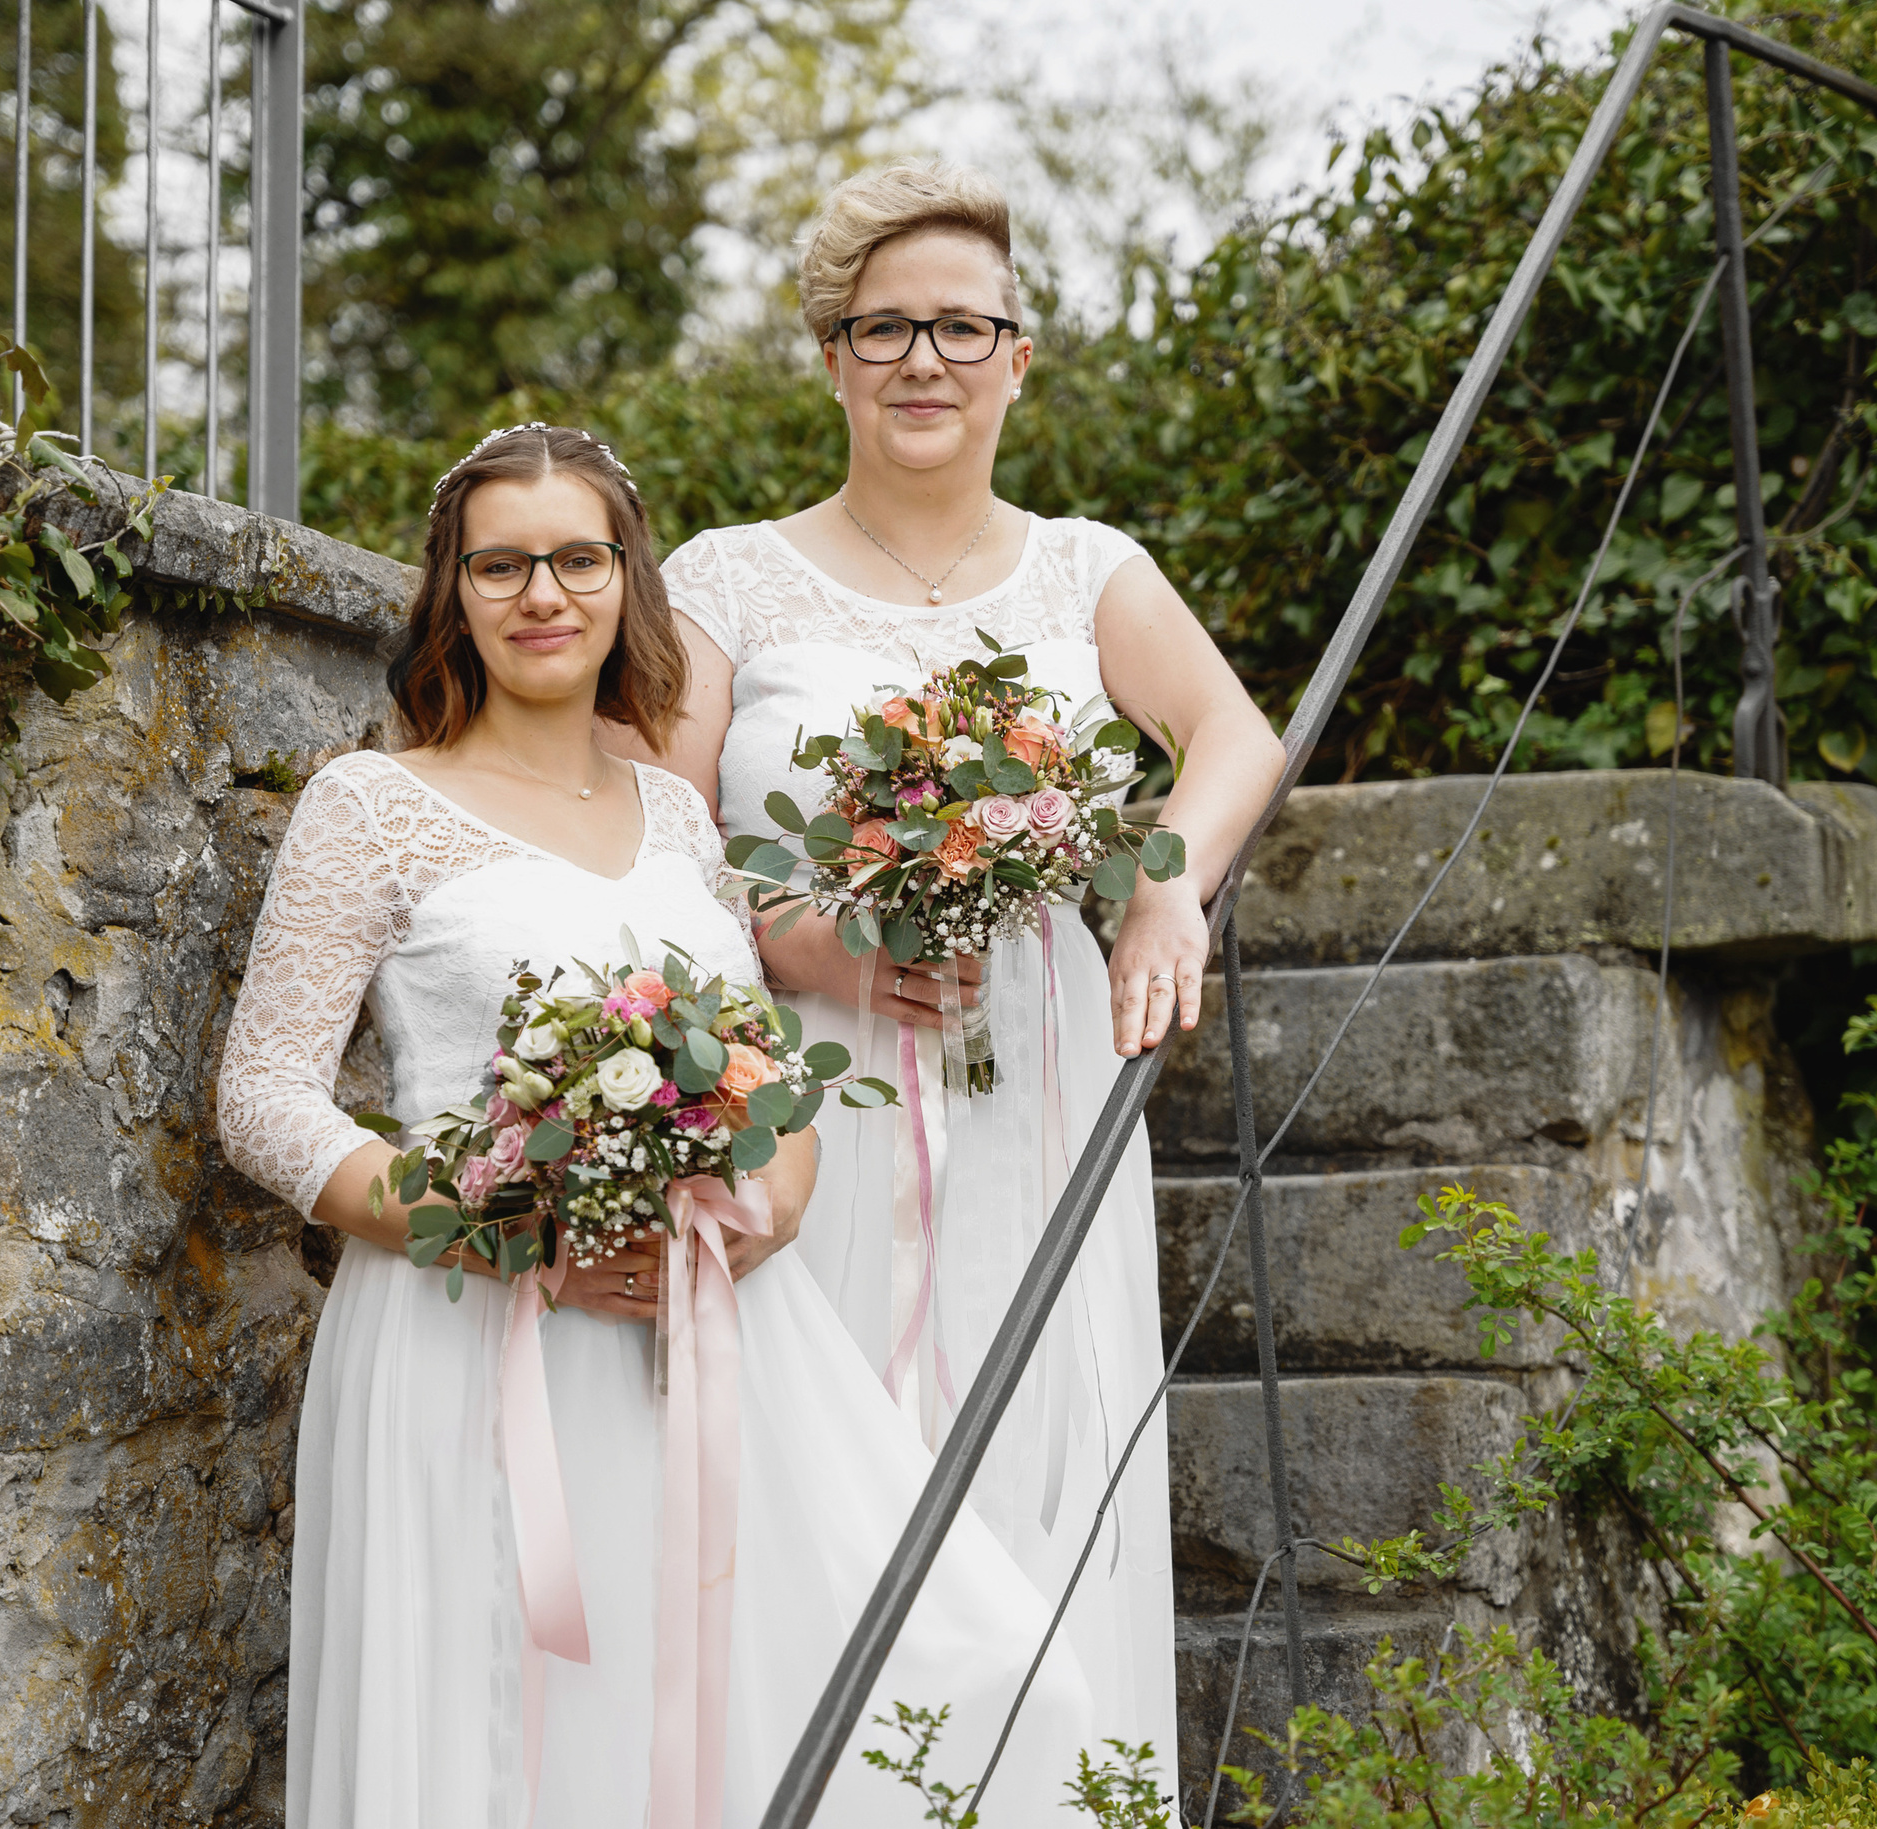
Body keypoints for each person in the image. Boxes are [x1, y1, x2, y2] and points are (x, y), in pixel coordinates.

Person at [214, 424, 1088, 1828]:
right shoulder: (370, 805)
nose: (541, 593)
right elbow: (261, 1095)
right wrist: (497, 1228)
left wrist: (778, 1205)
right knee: (507, 1721)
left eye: (577, 557)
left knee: (967, 1671)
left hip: (709, 1330)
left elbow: (763, 1068)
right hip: (463, 1332)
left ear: (628, 583)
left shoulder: (681, 821)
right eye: (501, 563)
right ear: (454, 589)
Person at [628, 164, 1282, 1791]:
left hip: (1041, 1083)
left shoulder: (1084, 568)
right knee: (823, 1463)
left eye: (960, 327)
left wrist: (1161, 891)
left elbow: (1233, 738)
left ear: (1017, 357)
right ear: (833, 356)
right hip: (812, 1100)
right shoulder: (727, 577)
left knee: (1041, 1444)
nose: (924, 359)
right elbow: (643, 824)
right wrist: (799, 938)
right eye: (884, 327)